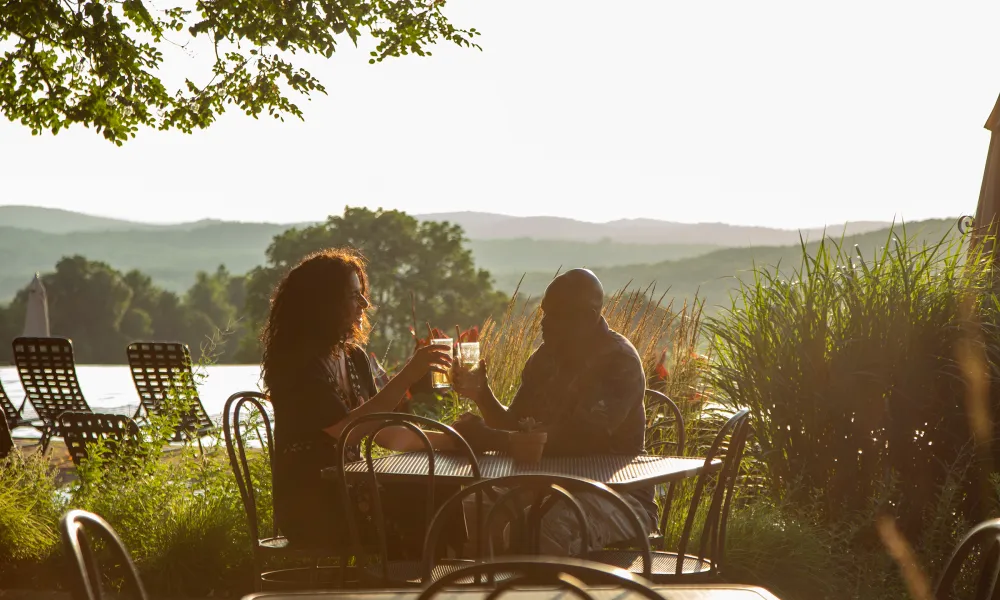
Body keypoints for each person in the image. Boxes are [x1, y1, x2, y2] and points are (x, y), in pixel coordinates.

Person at [261, 247, 458, 554]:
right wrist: (407, 375)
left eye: (362, 293)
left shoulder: (354, 358)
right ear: (324, 302)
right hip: (311, 504)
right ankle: (403, 584)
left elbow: (385, 433)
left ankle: (419, 582)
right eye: (354, 295)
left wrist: (454, 440)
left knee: (439, 489)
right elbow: (349, 431)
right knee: (422, 502)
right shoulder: (297, 363)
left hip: (353, 488)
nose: (365, 303)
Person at [451, 268, 654, 555]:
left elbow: (581, 440)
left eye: (556, 314)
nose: (544, 323)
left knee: (535, 529)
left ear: (588, 317)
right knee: (460, 513)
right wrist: (482, 395)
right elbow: (515, 424)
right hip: (547, 486)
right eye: (544, 313)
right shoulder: (545, 356)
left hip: (616, 495)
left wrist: (489, 438)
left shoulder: (617, 360)